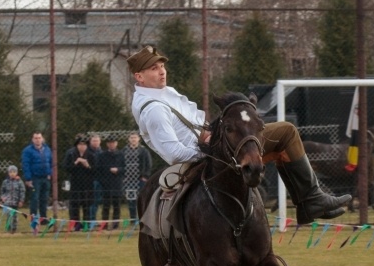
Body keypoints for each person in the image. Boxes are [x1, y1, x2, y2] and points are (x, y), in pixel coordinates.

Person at [126, 45, 350, 224]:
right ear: (140, 76)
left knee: (278, 130)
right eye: (154, 68)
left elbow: (194, 128)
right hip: (207, 155)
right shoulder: (153, 108)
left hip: (212, 144)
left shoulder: (164, 94)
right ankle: (311, 201)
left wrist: (212, 133)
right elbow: (173, 154)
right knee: (286, 132)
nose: (162, 70)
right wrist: (211, 151)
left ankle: (311, 201)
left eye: (161, 65)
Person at [63, 134, 94, 230]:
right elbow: (66, 167)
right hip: (74, 183)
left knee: (87, 205)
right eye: (80, 144)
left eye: (84, 144)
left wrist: (87, 165)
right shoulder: (71, 154)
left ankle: (86, 224)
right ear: (76, 145)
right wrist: (75, 163)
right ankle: (75, 225)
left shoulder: (91, 154)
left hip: (87, 184)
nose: (82, 146)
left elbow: (95, 170)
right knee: (74, 205)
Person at [21, 131, 52, 223]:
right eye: (36, 138)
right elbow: (25, 165)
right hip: (34, 179)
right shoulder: (27, 151)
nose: (38, 140)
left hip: (45, 179)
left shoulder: (47, 149)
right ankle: (34, 218)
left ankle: (44, 218)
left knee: (44, 198)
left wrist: (50, 173)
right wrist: (28, 178)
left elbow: (51, 162)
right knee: (34, 198)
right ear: (32, 139)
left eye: (39, 138)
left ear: (42, 139)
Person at [95, 135, 125, 228]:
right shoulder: (102, 156)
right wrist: (103, 180)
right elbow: (98, 170)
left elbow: (126, 168)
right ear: (107, 144)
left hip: (117, 183)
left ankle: (115, 224)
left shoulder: (121, 155)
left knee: (117, 205)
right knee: (106, 206)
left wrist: (118, 170)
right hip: (106, 184)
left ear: (116, 143)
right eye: (110, 143)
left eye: (113, 143)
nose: (112, 144)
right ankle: (104, 224)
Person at [123, 131, 152, 221]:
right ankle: (132, 218)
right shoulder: (124, 151)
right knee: (131, 199)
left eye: (135, 137)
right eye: (131, 138)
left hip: (140, 179)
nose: (133, 139)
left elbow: (149, 164)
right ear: (129, 139)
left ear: (139, 139)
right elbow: (121, 163)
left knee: (141, 198)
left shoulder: (143, 151)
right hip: (128, 179)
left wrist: (145, 176)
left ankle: (142, 218)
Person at [0, 165, 26, 233]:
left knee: (14, 216)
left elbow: (22, 192)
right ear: (8, 173)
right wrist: (3, 197)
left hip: (15, 202)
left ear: (16, 173)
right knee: (8, 215)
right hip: (7, 202)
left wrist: (21, 201)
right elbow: (2, 190)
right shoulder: (5, 182)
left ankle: (14, 229)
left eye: (14, 172)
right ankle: (8, 228)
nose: (12, 173)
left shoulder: (19, 182)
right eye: (10, 172)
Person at [87, 134, 103, 221]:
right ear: (90, 142)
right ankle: (90, 219)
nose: (96, 142)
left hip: (100, 180)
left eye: (97, 141)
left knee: (97, 200)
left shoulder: (102, 153)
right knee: (91, 200)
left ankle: (94, 218)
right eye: (94, 141)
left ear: (100, 142)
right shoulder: (87, 153)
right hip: (90, 180)